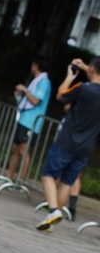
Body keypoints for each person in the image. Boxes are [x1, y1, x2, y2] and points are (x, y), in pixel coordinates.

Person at [37, 57, 100, 231]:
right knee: (67, 182)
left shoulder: (83, 89)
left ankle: (53, 210)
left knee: (48, 175)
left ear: (92, 69)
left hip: (67, 141)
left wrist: (70, 77)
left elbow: (61, 95)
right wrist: (86, 67)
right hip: (86, 147)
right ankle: (51, 220)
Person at [3, 58, 51, 183]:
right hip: (24, 119)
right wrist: (20, 96)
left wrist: (25, 90)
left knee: (23, 150)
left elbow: (35, 100)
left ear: (36, 66)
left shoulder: (44, 82)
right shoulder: (36, 81)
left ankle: (21, 181)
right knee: (15, 148)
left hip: (32, 121)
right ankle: (8, 177)